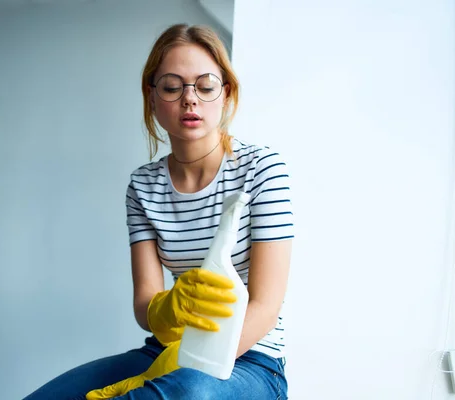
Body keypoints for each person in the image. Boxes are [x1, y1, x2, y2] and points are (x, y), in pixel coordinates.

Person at [24, 23, 294, 400]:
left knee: (179, 394)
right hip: (165, 350)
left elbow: (265, 307)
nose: (190, 99)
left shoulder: (262, 169)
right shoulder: (143, 186)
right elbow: (144, 304)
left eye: (205, 85)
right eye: (172, 86)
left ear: (226, 92)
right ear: (152, 98)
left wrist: (182, 368)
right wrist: (167, 310)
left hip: (250, 361)